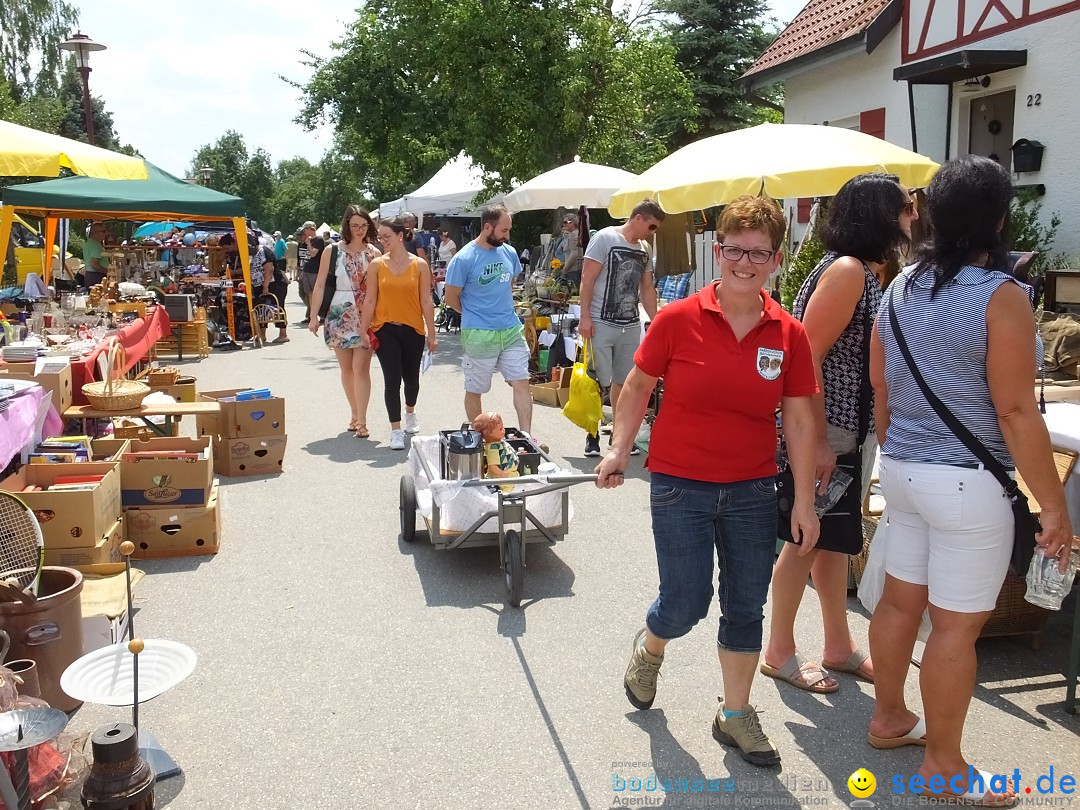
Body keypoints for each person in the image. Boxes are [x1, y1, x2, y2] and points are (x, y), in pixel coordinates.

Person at [867, 155, 1071, 806]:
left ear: (928, 217)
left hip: (903, 470)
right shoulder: (1001, 297)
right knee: (956, 629)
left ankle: (889, 716)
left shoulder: (898, 288)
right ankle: (945, 764)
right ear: (1001, 221)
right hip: (966, 485)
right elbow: (1015, 412)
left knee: (902, 603)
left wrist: (899, 447)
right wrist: (1055, 506)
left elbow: (883, 386)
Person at [596, 195, 820, 767]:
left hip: (752, 488)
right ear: (718, 251)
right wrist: (620, 449)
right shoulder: (677, 319)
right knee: (686, 601)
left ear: (776, 258)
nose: (745, 262)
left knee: (746, 606)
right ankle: (651, 647)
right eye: (735, 250)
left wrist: (805, 501)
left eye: (759, 253)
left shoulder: (788, 333)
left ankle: (736, 714)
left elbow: (797, 419)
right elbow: (636, 388)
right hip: (679, 485)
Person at [762, 173, 918, 694]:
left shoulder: (859, 269)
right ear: (878, 214)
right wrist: (821, 440)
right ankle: (778, 650)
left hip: (842, 429)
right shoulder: (849, 271)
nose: (911, 219)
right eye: (904, 210)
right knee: (805, 540)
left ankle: (837, 644)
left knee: (830, 543)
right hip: (828, 430)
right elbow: (806, 356)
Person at [578, 200, 661, 457]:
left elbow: (646, 288)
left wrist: (657, 320)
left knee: (623, 383)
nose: (652, 231)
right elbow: (587, 278)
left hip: (629, 323)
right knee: (595, 380)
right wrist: (585, 317)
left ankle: (618, 435)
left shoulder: (645, 248)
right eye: (652, 225)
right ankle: (591, 434)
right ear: (638, 218)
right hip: (600, 320)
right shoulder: (604, 238)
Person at [444, 204, 533, 434]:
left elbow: (508, 284)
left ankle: (527, 436)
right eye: (504, 231)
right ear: (487, 227)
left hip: (511, 328)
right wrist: (475, 314)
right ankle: (482, 438)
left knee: (522, 381)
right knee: (476, 388)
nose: (508, 235)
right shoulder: (464, 259)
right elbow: (451, 298)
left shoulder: (509, 252)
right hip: (479, 333)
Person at [359, 216, 438, 450]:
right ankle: (395, 430)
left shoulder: (419, 265)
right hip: (385, 328)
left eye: (387, 236)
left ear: (400, 236)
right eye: (380, 237)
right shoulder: (376, 264)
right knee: (391, 380)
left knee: (411, 379)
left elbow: (426, 300)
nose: (383, 241)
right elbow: (370, 298)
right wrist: (364, 329)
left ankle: (410, 411)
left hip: (413, 329)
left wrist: (432, 334)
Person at [309, 206, 382, 437]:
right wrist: (313, 316)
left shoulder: (375, 253)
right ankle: (354, 411)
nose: (360, 230)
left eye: (363, 225)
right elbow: (320, 284)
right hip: (338, 313)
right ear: (346, 226)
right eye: (355, 226)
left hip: (366, 315)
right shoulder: (332, 251)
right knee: (347, 369)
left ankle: (362, 420)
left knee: (361, 368)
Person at [250, 235, 289, 344]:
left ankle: (283, 334)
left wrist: (265, 286)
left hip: (275, 283)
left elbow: (269, 269)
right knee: (261, 309)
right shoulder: (252, 255)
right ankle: (262, 335)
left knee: (279, 306)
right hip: (260, 285)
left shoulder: (264, 252)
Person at [554, 212, 582, 287]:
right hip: (575, 270)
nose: (564, 224)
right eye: (564, 222)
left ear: (574, 223)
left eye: (567, 222)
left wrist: (565, 269)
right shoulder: (575, 234)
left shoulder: (573, 235)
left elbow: (575, 253)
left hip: (573, 270)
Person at [298, 221, 317, 324]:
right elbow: (302, 257)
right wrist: (299, 270)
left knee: (312, 294)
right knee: (305, 293)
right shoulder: (302, 243)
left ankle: (312, 314)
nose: (303, 233)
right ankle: (311, 314)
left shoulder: (316, 241)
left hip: (313, 271)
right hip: (305, 270)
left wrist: (309, 244)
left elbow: (313, 255)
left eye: (305, 230)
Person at [83, 222, 111, 288]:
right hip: (97, 277)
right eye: (103, 231)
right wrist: (108, 272)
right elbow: (94, 264)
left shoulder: (89, 243)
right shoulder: (96, 246)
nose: (106, 234)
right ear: (95, 232)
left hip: (90, 276)